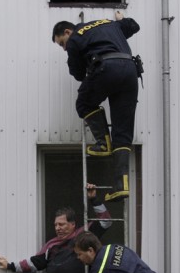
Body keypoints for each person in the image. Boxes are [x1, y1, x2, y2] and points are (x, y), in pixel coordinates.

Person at [52, 11, 142, 202]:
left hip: (106, 68)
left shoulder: (76, 37)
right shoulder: (110, 24)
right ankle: (121, 186)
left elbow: (77, 73)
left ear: (67, 31)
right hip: (130, 72)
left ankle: (103, 143)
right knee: (123, 132)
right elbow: (134, 26)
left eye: (62, 43)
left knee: (83, 103)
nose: (64, 47)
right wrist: (121, 19)